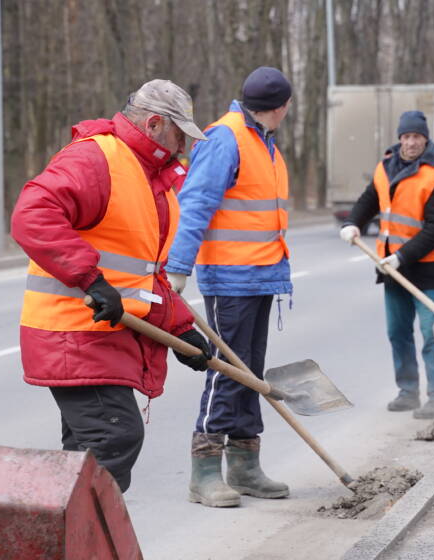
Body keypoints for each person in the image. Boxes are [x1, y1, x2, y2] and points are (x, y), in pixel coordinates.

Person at [10, 79, 213, 493]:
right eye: (178, 136)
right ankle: (87, 543)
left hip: (106, 331)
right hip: (76, 331)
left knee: (85, 453)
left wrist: (180, 329)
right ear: (155, 124)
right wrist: (90, 279)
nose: (181, 147)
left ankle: (66, 539)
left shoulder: (151, 177)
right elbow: (33, 215)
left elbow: (143, 273)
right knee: (113, 437)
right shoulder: (95, 158)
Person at [164, 67, 293, 508]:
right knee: (227, 373)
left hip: (260, 276)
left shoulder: (262, 141)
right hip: (230, 278)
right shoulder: (226, 138)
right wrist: (178, 266)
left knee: (250, 375)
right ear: (282, 107)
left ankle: (244, 465)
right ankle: (204, 472)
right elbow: (196, 201)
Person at [339, 110, 434, 420]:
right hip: (393, 268)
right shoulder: (386, 167)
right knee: (398, 333)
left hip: (428, 268)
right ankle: (408, 391)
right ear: (399, 138)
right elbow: (369, 200)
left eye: (416, 137)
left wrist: (402, 256)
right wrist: (354, 223)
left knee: (432, 332)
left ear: (425, 138)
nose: (410, 143)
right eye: (406, 137)